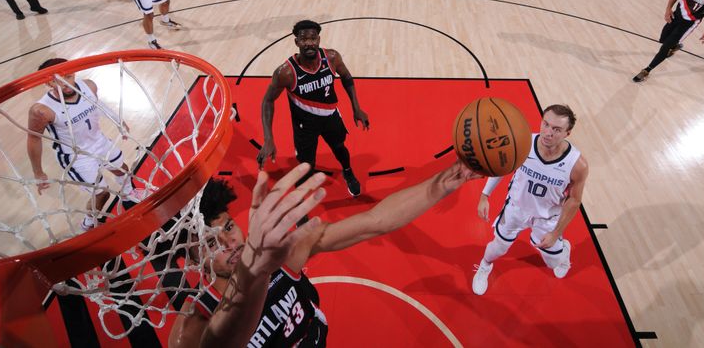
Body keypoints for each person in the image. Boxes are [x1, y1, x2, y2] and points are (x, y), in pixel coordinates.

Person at [169, 159, 477, 347]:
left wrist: (442, 185)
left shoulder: (283, 253)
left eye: (228, 228)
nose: (229, 243)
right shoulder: (194, 323)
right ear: (195, 259)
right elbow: (221, 342)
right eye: (210, 243)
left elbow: (374, 222)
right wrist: (255, 272)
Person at [471, 105, 589, 295]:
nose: (548, 132)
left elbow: (574, 201)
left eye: (556, 129)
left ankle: (563, 248)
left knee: (553, 262)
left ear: (567, 133)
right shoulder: (523, 144)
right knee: (497, 248)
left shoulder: (577, 165)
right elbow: (502, 168)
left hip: (547, 218)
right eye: (546, 124)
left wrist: (556, 232)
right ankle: (484, 266)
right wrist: (485, 195)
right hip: (516, 209)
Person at [27, 58, 148, 231]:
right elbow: (33, 139)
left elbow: (97, 104)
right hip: (75, 155)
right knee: (102, 193)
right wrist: (38, 172)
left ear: (74, 73)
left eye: (68, 77)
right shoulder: (41, 110)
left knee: (123, 169)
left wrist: (117, 120)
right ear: (48, 82)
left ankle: (129, 194)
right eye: (57, 81)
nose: (65, 84)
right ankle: (89, 222)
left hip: (98, 141)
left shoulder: (88, 86)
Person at [258, 20, 369, 197]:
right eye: (303, 39)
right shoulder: (286, 72)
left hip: (331, 117)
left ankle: (347, 171)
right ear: (296, 42)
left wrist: (357, 108)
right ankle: (300, 203)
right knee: (306, 165)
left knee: (339, 147)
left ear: (318, 39)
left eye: (313, 38)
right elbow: (267, 101)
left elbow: (347, 77)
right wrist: (268, 138)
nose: (309, 43)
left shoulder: (332, 58)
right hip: (304, 126)